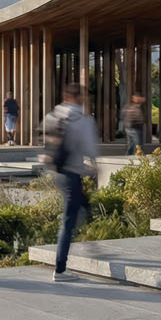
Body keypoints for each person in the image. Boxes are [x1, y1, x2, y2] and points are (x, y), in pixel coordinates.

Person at [42, 83, 99, 282]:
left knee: (83, 205)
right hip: (72, 173)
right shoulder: (82, 119)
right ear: (79, 97)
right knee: (69, 220)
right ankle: (61, 269)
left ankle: (90, 241)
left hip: (57, 171)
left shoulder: (53, 114)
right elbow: (89, 148)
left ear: (65, 96)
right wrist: (93, 164)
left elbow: (46, 139)